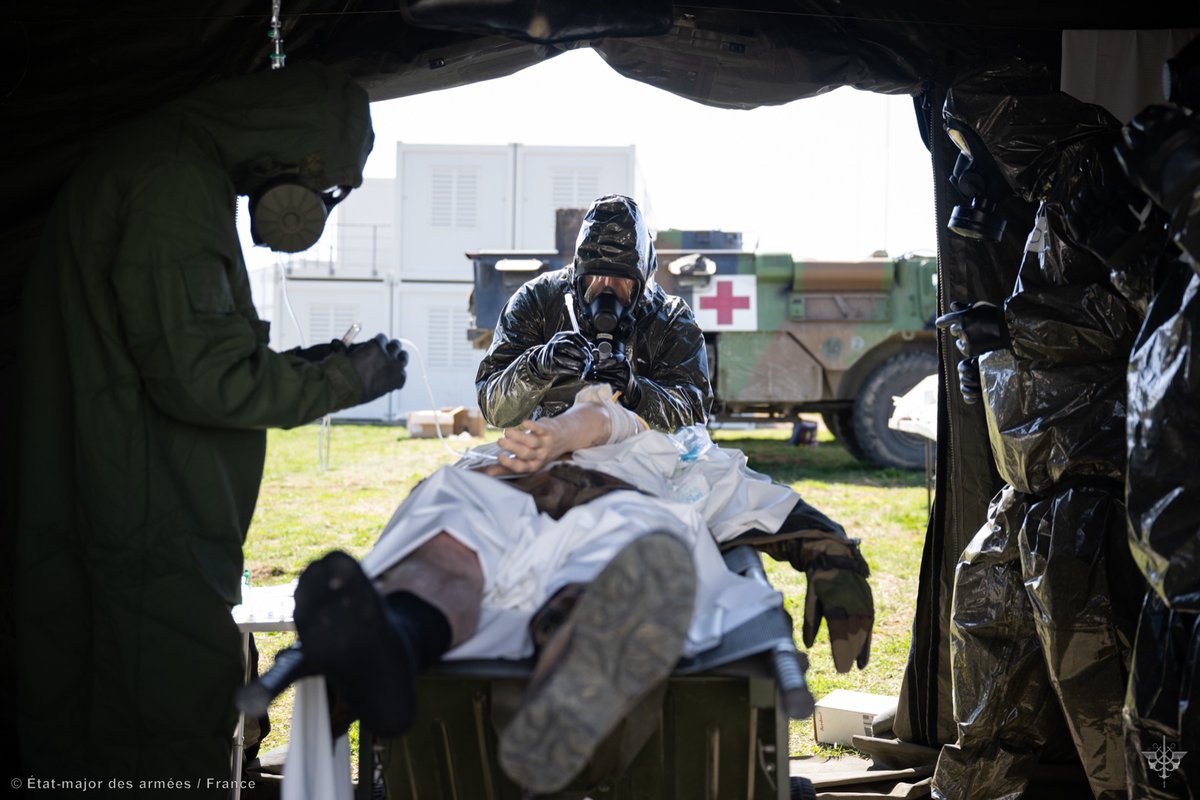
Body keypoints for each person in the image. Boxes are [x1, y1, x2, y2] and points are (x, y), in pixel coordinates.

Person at [16, 63, 408, 788]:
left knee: (95, 732)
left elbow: (190, 351)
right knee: (162, 743)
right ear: (295, 149)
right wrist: (346, 378)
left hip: (129, 508)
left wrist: (324, 360)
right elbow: (207, 381)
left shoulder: (169, 166)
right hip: (140, 528)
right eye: (322, 182)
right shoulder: (172, 185)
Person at [274, 384, 872, 796]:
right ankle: (395, 640)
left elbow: (762, 503)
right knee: (449, 535)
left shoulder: (676, 453)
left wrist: (831, 556)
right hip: (508, 498)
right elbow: (431, 504)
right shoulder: (499, 449)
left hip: (613, 511)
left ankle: (565, 648)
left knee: (613, 555)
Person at [476, 194, 712, 432]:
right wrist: (535, 367)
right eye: (594, 277)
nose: (606, 288)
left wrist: (637, 394)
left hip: (639, 456)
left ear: (641, 281)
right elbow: (493, 408)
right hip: (549, 449)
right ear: (578, 273)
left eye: (621, 279)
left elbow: (693, 414)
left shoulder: (670, 319)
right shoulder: (538, 301)